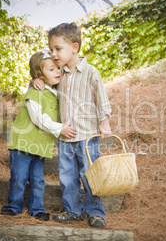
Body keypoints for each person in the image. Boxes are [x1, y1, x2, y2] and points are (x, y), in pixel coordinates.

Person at [32, 23, 112, 228]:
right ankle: (72, 210)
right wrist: (35, 81)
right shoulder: (58, 74)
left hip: (87, 137)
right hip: (66, 137)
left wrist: (105, 121)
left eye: (58, 49)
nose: (53, 53)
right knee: (67, 177)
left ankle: (95, 212)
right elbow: (44, 78)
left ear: (74, 47)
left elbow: (101, 99)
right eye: (51, 49)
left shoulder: (91, 73)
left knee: (90, 176)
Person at [0, 49, 77, 220]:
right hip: (23, 142)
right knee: (19, 177)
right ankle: (14, 206)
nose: (57, 72)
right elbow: (38, 118)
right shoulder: (35, 91)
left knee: (38, 179)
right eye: (52, 69)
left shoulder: (57, 94)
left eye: (58, 68)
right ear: (39, 75)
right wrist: (60, 128)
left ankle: (37, 208)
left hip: (40, 145)